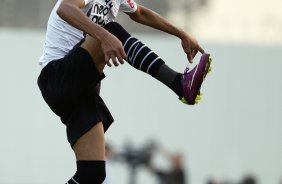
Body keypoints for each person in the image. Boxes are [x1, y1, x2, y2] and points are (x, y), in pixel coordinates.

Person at [37, 0, 212, 183]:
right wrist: (104, 35)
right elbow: (64, 8)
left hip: (83, 91)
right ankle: (179, 84)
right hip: (58, 76)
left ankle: (181, 85)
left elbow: (141, 13)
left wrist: (181, 34)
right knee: (111, 28)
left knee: (93, 174)